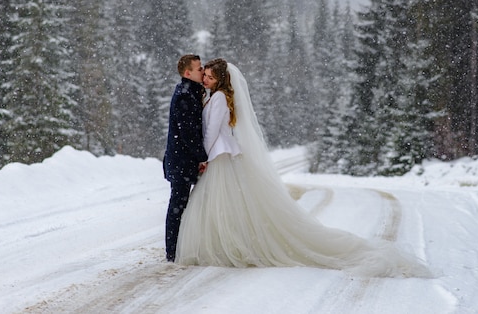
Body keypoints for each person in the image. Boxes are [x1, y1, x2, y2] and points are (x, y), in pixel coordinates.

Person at [177, 58, 431, 277]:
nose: (206, 79)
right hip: (220, 154)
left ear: (220, 80)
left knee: (220, 204)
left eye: (209, 77)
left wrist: (204, 158)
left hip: (218, 155)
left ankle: (226, 246)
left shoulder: (219, 97)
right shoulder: (216, 96)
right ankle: (227, 244)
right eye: (205, 75)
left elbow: (210, 133)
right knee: (226, 205)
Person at [163, 54, 208, 263]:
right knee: (178, 206)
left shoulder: (192, 92)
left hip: (183, 160)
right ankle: (172, 252)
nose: (203, 71)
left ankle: (182, 247)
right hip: (181, 162)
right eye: (199, 68)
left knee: (185, 203)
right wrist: (202, 157)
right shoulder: (184, 95)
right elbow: (187, 133)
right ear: (188, 73)